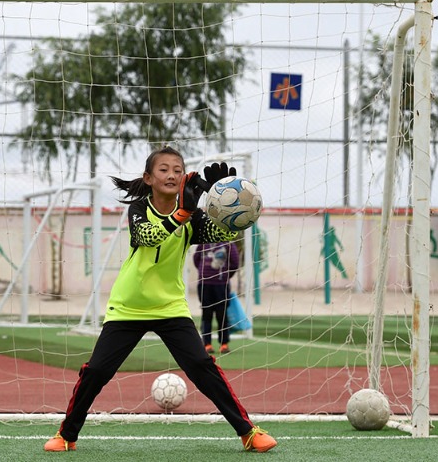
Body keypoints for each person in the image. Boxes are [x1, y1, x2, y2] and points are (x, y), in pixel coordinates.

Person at [43, 146, 277, 454]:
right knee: (97, 371)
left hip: (170, 307)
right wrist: (183, 213)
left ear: (185, 178)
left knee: (200, 366)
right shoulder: (140, 208)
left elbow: (221, 233)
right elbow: (147, 237)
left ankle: (248, 432)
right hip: (129, 307)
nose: (171, 174)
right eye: (163, 169)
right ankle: (66, 434)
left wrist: (225, 204)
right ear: (148, 178)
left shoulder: (193, 216)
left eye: (178, 170)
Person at [193, 241, 240, 354]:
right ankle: (207, 344)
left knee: (222, 315)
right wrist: (203, 273)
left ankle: (224, 344)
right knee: (206, 314)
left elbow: (234, 263)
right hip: (205, 285)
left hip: (221, 285)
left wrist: (225, 276)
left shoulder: (228, 244)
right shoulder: (203, 243)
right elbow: (196, 259)